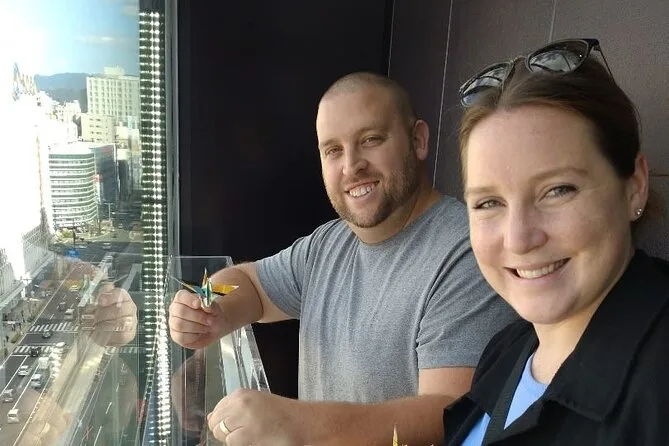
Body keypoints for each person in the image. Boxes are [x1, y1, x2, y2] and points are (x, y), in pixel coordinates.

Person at [169, 72, 517, 445]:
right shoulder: (327, 244)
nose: (351, 166)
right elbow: (251, 284)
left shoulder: (466, 249)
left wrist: (296, 423)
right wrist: (210, 307)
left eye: (370, 140)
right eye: (333, 150)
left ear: (418, 140)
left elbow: (448, 412)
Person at [442, 38, 669, 445]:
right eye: (489, 202)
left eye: (558, 190)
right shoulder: (505, 351)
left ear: (634, 185)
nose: (519, 239)